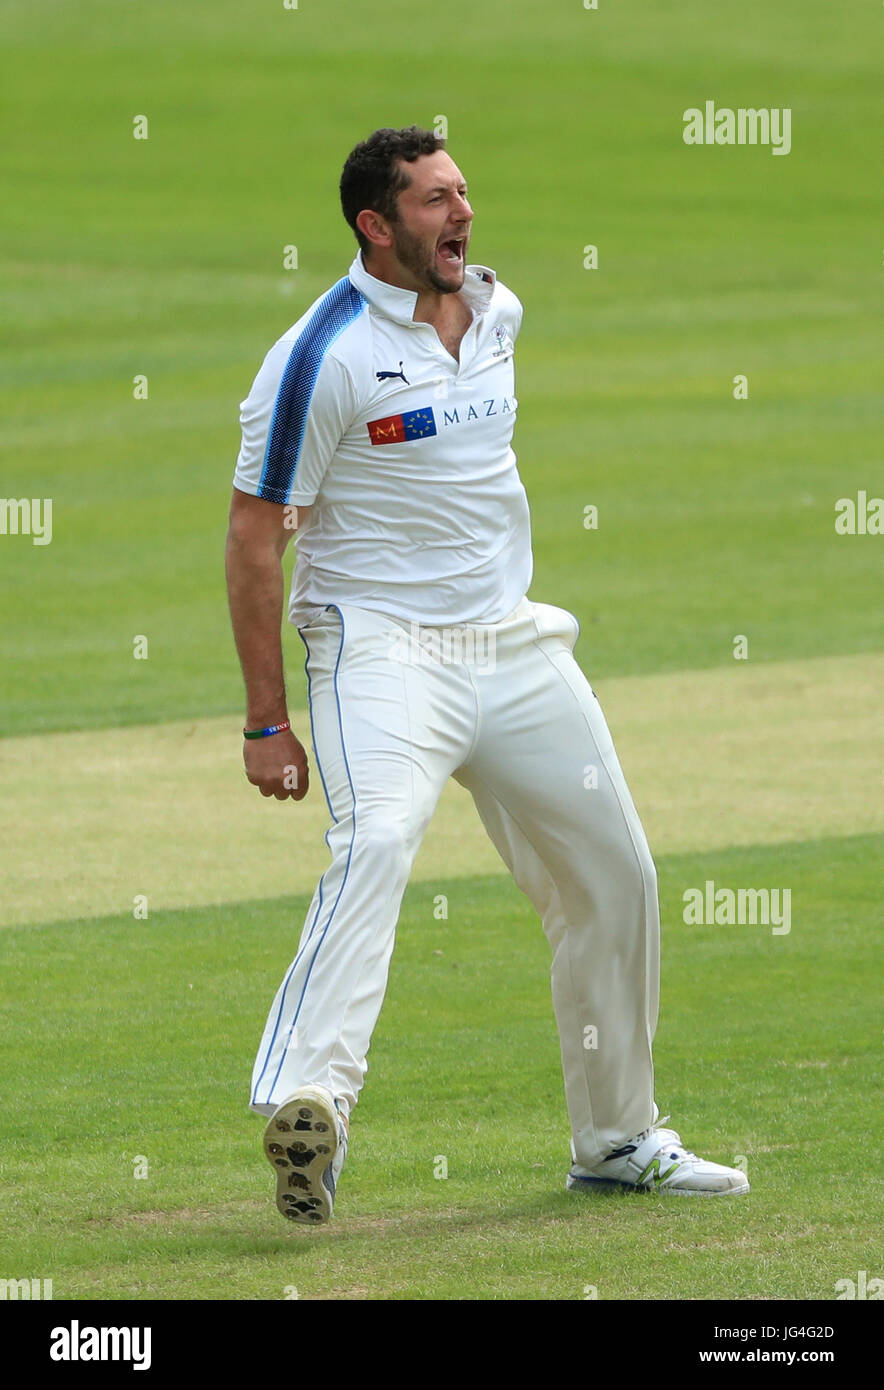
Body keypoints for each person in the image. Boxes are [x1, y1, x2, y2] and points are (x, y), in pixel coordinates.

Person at [225, 125, 749, 1224]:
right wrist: (266, 720)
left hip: (511, 646)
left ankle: (615, 1139)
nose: (459, 213)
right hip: (380, 651)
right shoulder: (318, 355)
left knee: (618, 876)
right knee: (371, 845)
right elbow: (255, 531)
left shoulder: (498, 313)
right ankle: (310, 1102)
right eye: (430, 201)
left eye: (462, 192)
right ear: (375, 225)